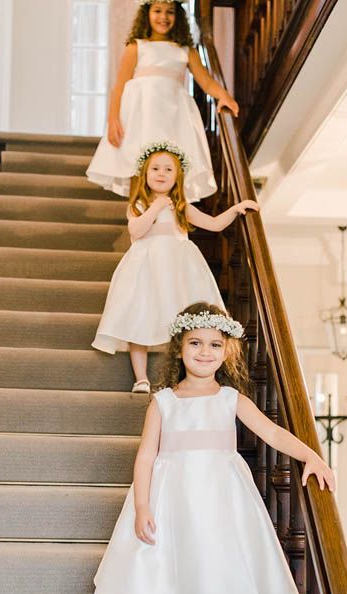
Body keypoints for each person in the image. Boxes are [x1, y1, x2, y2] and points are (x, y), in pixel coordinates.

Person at [91, 302, 335, 594]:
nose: (205, 351)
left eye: (215, 344)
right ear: (179, 348)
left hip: (222, 499)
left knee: (217, 563)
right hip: (172, 498)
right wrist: (142, 506)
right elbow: (145, 457)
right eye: (195, 342)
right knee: (174, 567)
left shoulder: (231, 399)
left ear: (226, 351)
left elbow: (271, 432)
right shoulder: (163, 402)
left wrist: (310, 454)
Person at [91, 142, 259, 393]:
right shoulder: (138, 204)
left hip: (177, 271)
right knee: (140, 317)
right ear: (145, 174)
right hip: (145, 269)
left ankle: (178, 376)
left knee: (181, 319)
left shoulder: (181, 207)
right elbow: (136, 231)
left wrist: (235, 210)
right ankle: (141, 378)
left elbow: (213, 224)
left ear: (177, 176)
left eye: (168, 169)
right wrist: (156, 207)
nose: (161, 173)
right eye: (155, 168)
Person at [86, 0, 239, 202]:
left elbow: (207, 81)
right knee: (136, 163)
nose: (163, 17)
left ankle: (169, 220)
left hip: (173, 117)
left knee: (169, 166)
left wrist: (224, 96)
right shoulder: (136, 47)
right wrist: (113, 119)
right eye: (157, 11)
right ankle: (137, 219)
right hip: (141, 115)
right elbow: (119, 87)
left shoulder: (185, 50)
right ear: (146, 13)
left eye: (170, 12)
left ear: (179, 16)